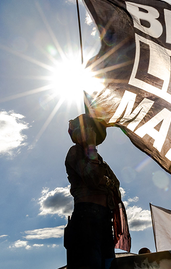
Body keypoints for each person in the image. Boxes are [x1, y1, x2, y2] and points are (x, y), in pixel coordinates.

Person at [63, 114, 126, 269]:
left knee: (108, 264)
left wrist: (106, 181)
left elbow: (116, 186)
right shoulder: (74, 152)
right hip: (86, 219)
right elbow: (93, 178)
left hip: (104, 220)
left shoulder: (99, 159)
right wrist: (91, 146)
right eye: (87, 131)